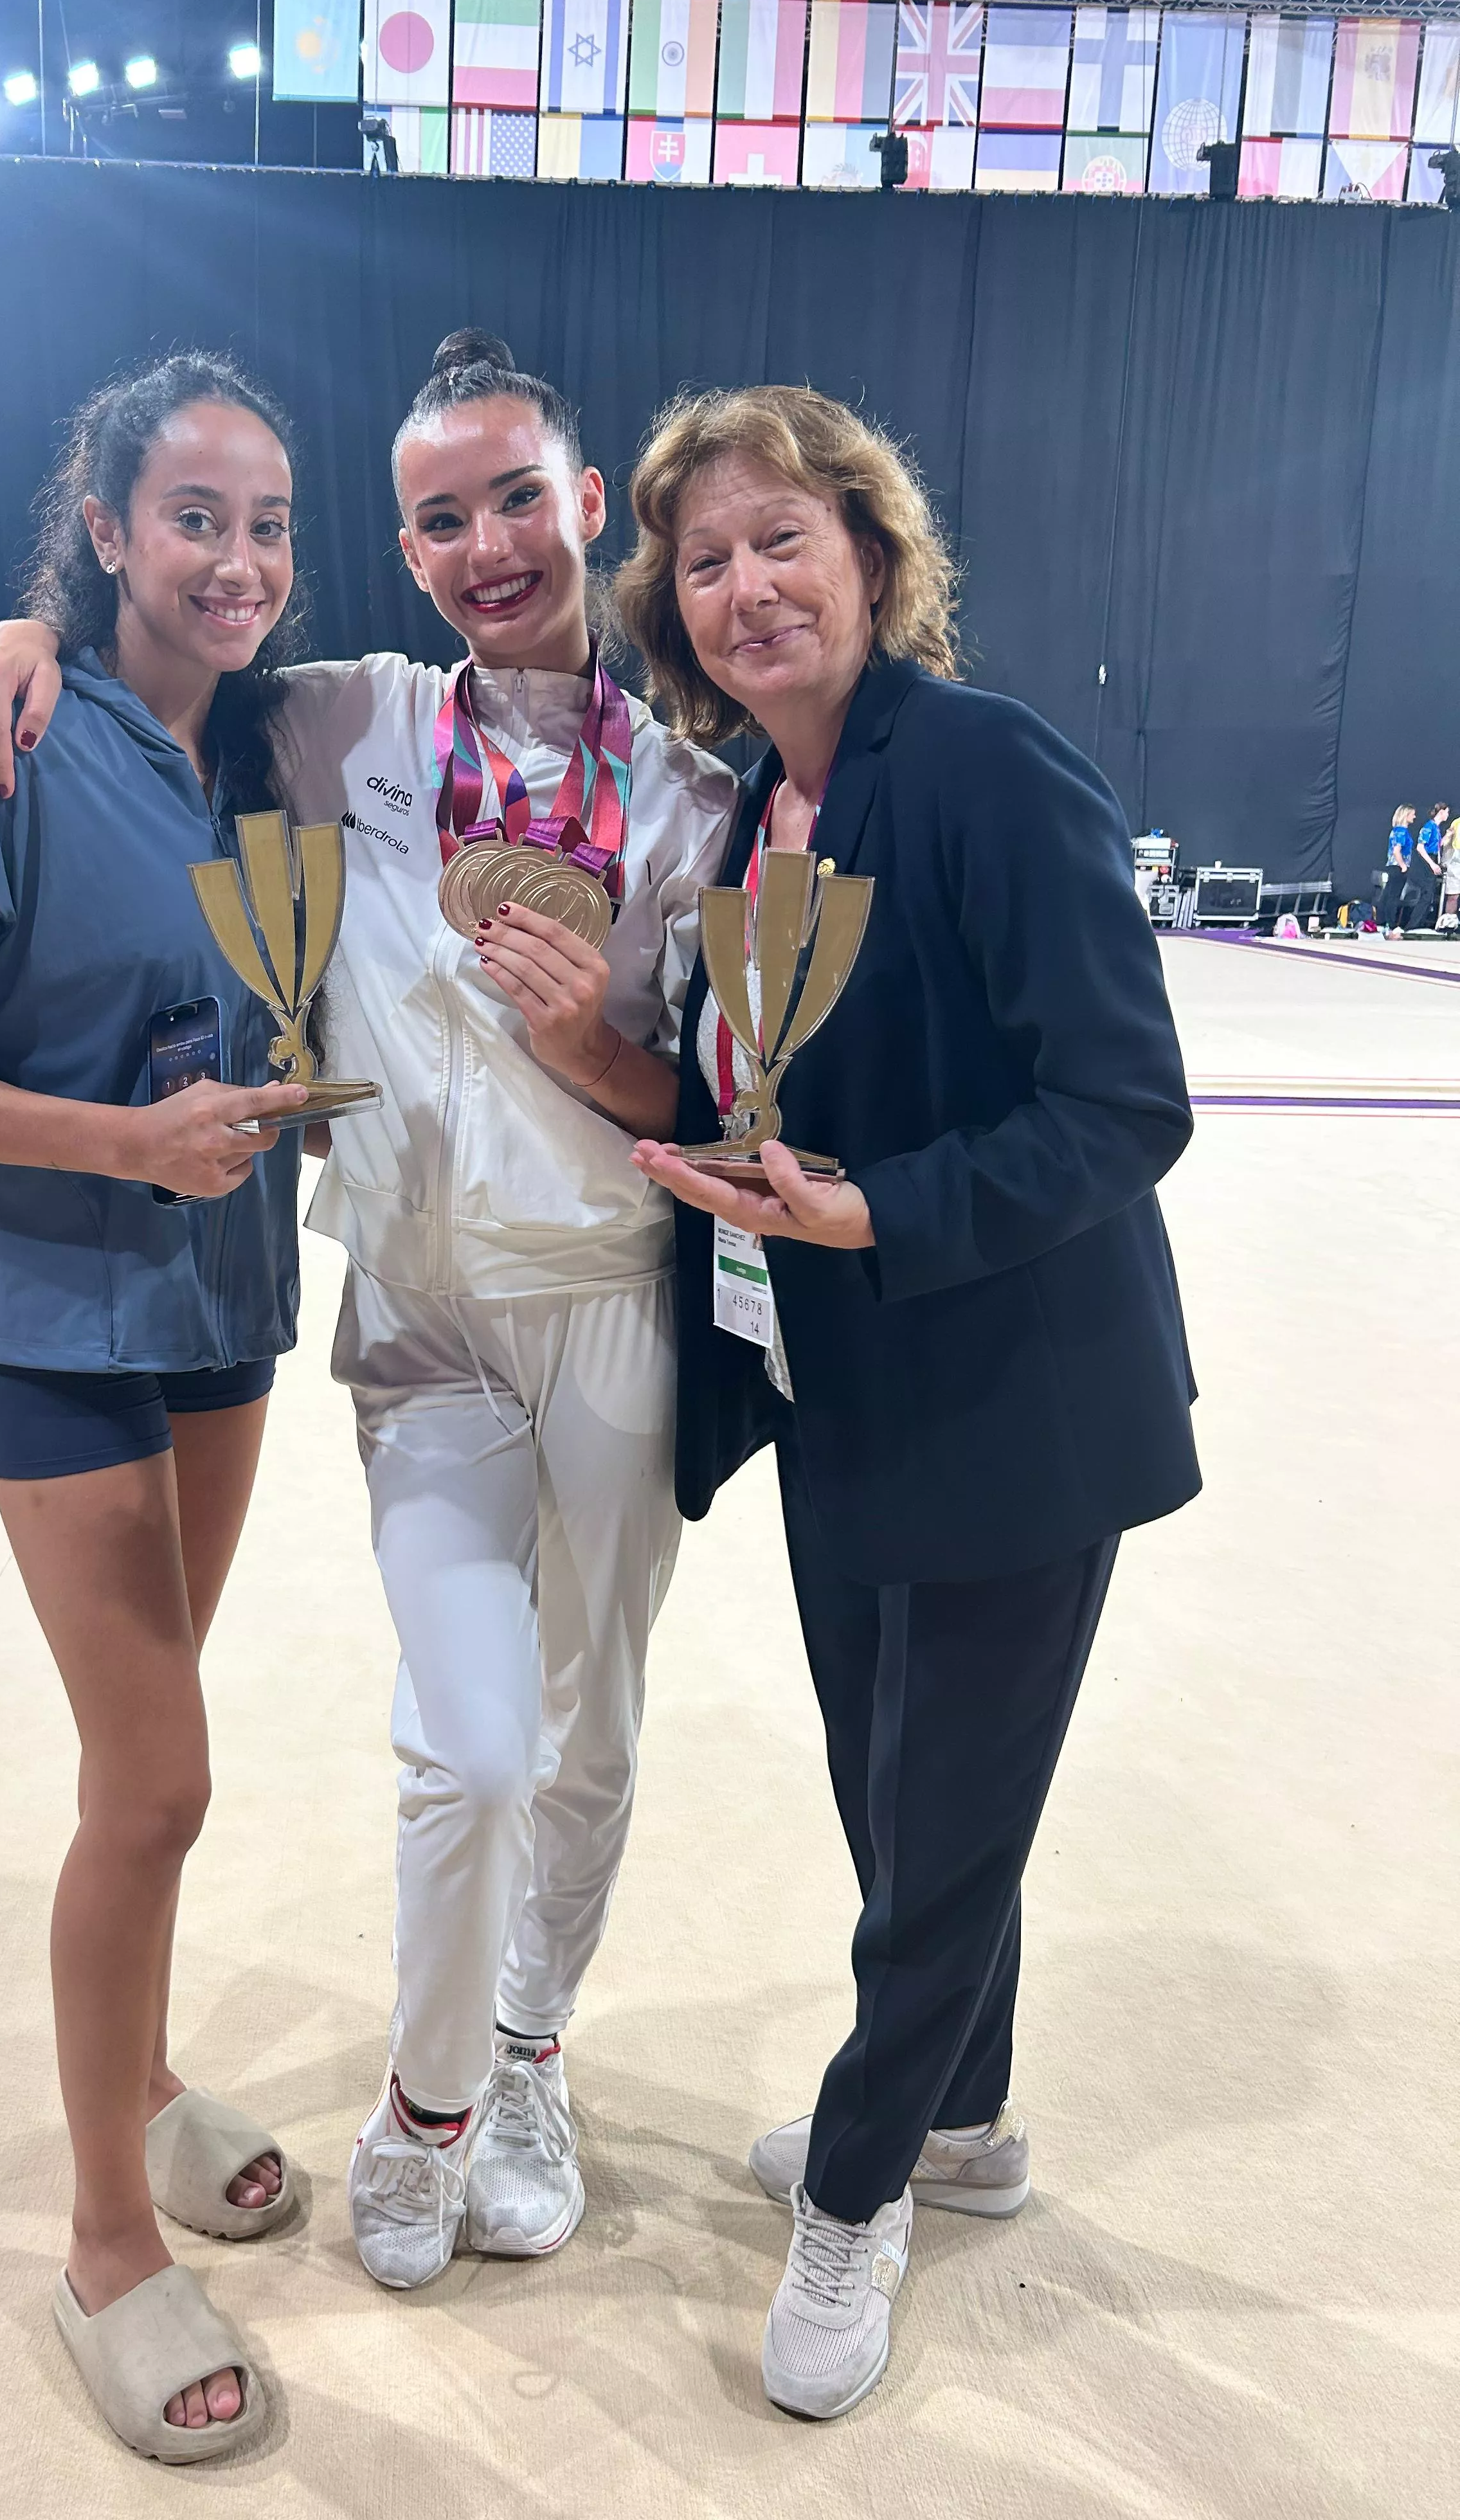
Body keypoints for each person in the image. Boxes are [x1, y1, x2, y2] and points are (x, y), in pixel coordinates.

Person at [0, 330, 739, 2295]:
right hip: (423, 1328)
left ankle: (530, 2060)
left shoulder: (696, 794)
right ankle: (427, 2097)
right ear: (408, 548)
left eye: (518, 498)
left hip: (614, 1310)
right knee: (473, 1747)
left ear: (585, 501)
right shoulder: (346, 723)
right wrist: (13, 637)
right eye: (440, 519)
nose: (486, 544)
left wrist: (602, 1044)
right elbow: (150, 666)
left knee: (592, 1736)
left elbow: (708, 1093)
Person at [618, 384, 1200, 2422]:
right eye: (706, 561)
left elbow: (1128, 1104)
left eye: (786, 537)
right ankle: (967, 2120)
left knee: (942, 1835)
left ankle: (861, 2195)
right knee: (903, 1810)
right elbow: (773, 1088)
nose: (749, 585)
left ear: (873, 553)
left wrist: (883, 1209)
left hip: (1017, 1394)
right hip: (844, 1383)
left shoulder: (983, 766)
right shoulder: (743, 807)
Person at [0, 355, 318, 2465]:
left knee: (162, 1739)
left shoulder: (278, 752)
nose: (239, 560)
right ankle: (109, 2240)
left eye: (270, 524)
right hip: (51, 1303)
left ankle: (140, 2075)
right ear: (103, 528)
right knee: (157, 1780)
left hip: (221, 1293)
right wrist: (124, 1150)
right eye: (195, 515)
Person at [1409, 802, 1447, 933]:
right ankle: (1412, 926)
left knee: (1429, 895)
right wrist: (1432, 864)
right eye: (1446, 812)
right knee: (1426, 895)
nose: (1448, 814)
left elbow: (1436, 845)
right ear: (1441, 812)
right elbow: (1421, 847)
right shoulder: (1429, 826)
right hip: (1426, 862)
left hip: (1433, 858)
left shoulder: (1436, 828)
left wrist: (1447, 837)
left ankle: (1419, 924)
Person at [1378, 807, 1414, 937]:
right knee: (1393, 896)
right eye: (1413, 814)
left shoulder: (1397, 831)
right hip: (1397, 867)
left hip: (1393, 866)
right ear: (1406, 815)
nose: (1414, 817)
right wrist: (1403, 866)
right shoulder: (1401, 832)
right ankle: (1391, 924)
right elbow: (1396, 851)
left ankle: (1381, 922)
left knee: (1387, 894)